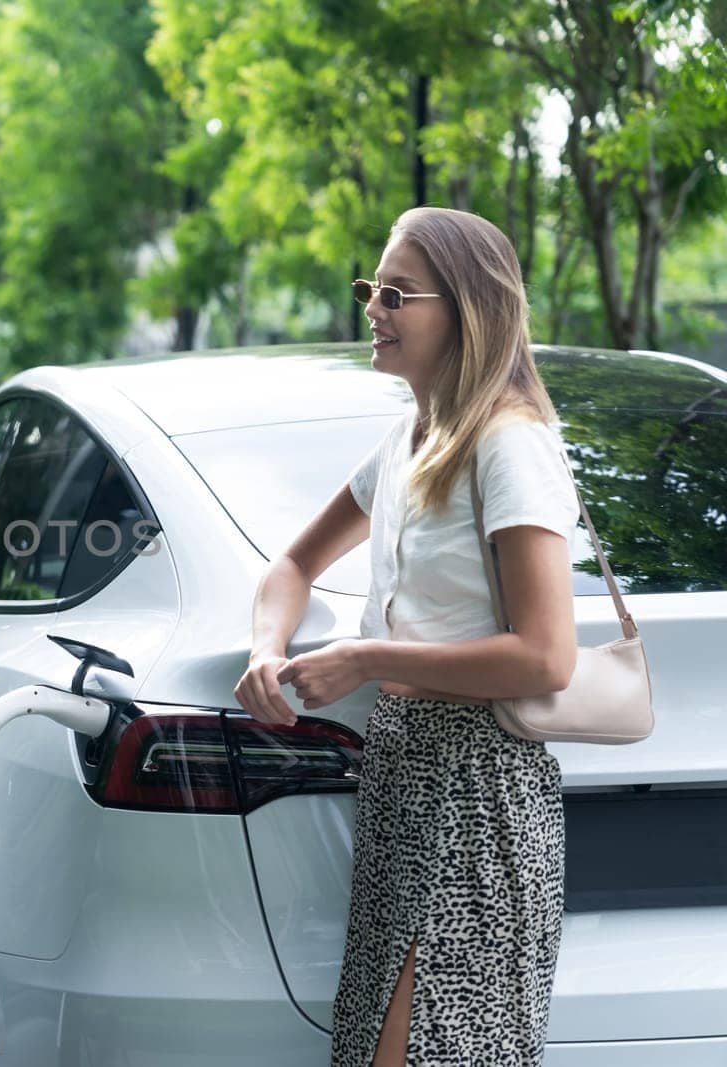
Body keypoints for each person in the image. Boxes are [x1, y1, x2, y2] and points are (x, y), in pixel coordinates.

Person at [234, 207, 577, 1066]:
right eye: (369, 289)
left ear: (465, 310)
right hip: (402, 772)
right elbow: (290, 566)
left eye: (396, 293)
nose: (373, 309)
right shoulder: (408, 440)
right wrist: (265, 653)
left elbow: (547, 655)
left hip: (480, 788)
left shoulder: (509, 443)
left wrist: (365, 657)